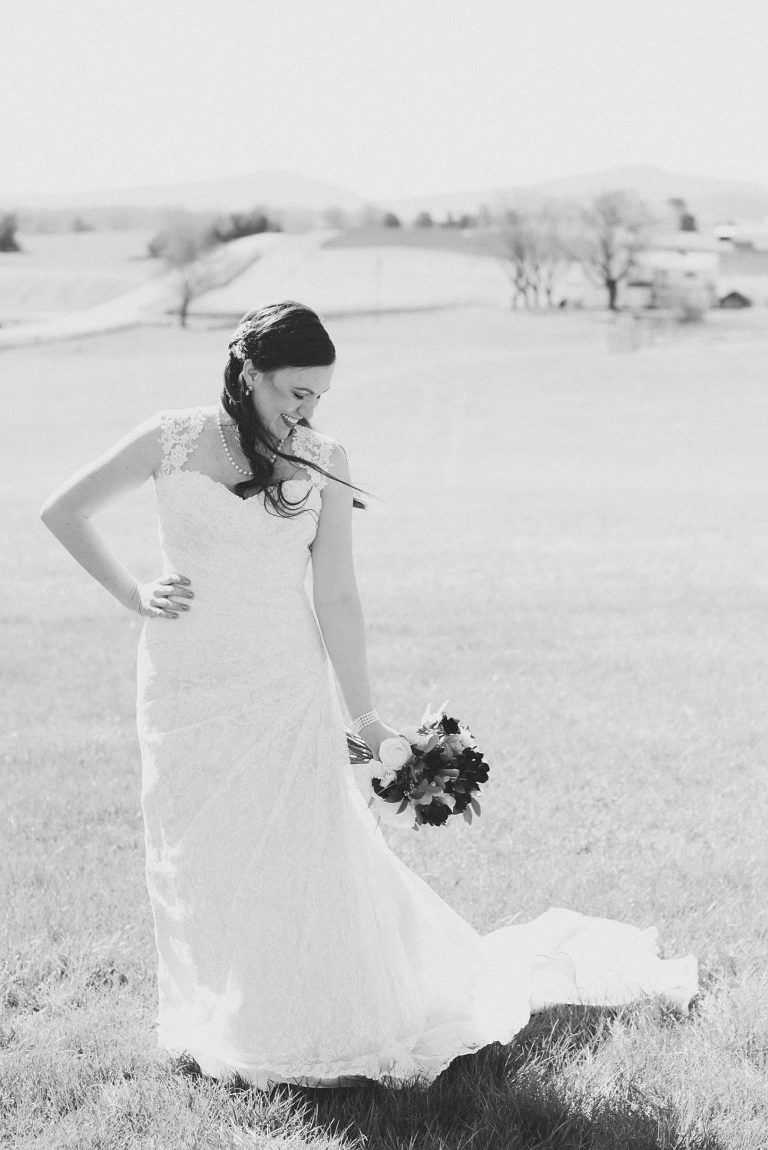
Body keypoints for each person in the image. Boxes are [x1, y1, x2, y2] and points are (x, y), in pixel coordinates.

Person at [40, 300, 698, 1091]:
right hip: (182, 680)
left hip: (284, 680)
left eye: (318, 394)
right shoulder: (170, 436)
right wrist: (133, 592)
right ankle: (216, 1011)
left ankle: (301, 1020)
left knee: (294, 855)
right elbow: (63, 509)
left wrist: (365, 716)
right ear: (248, 372)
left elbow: (339, 596)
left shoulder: (325, 458)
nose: (306, 409)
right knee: (200, 853)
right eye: (293, 392)